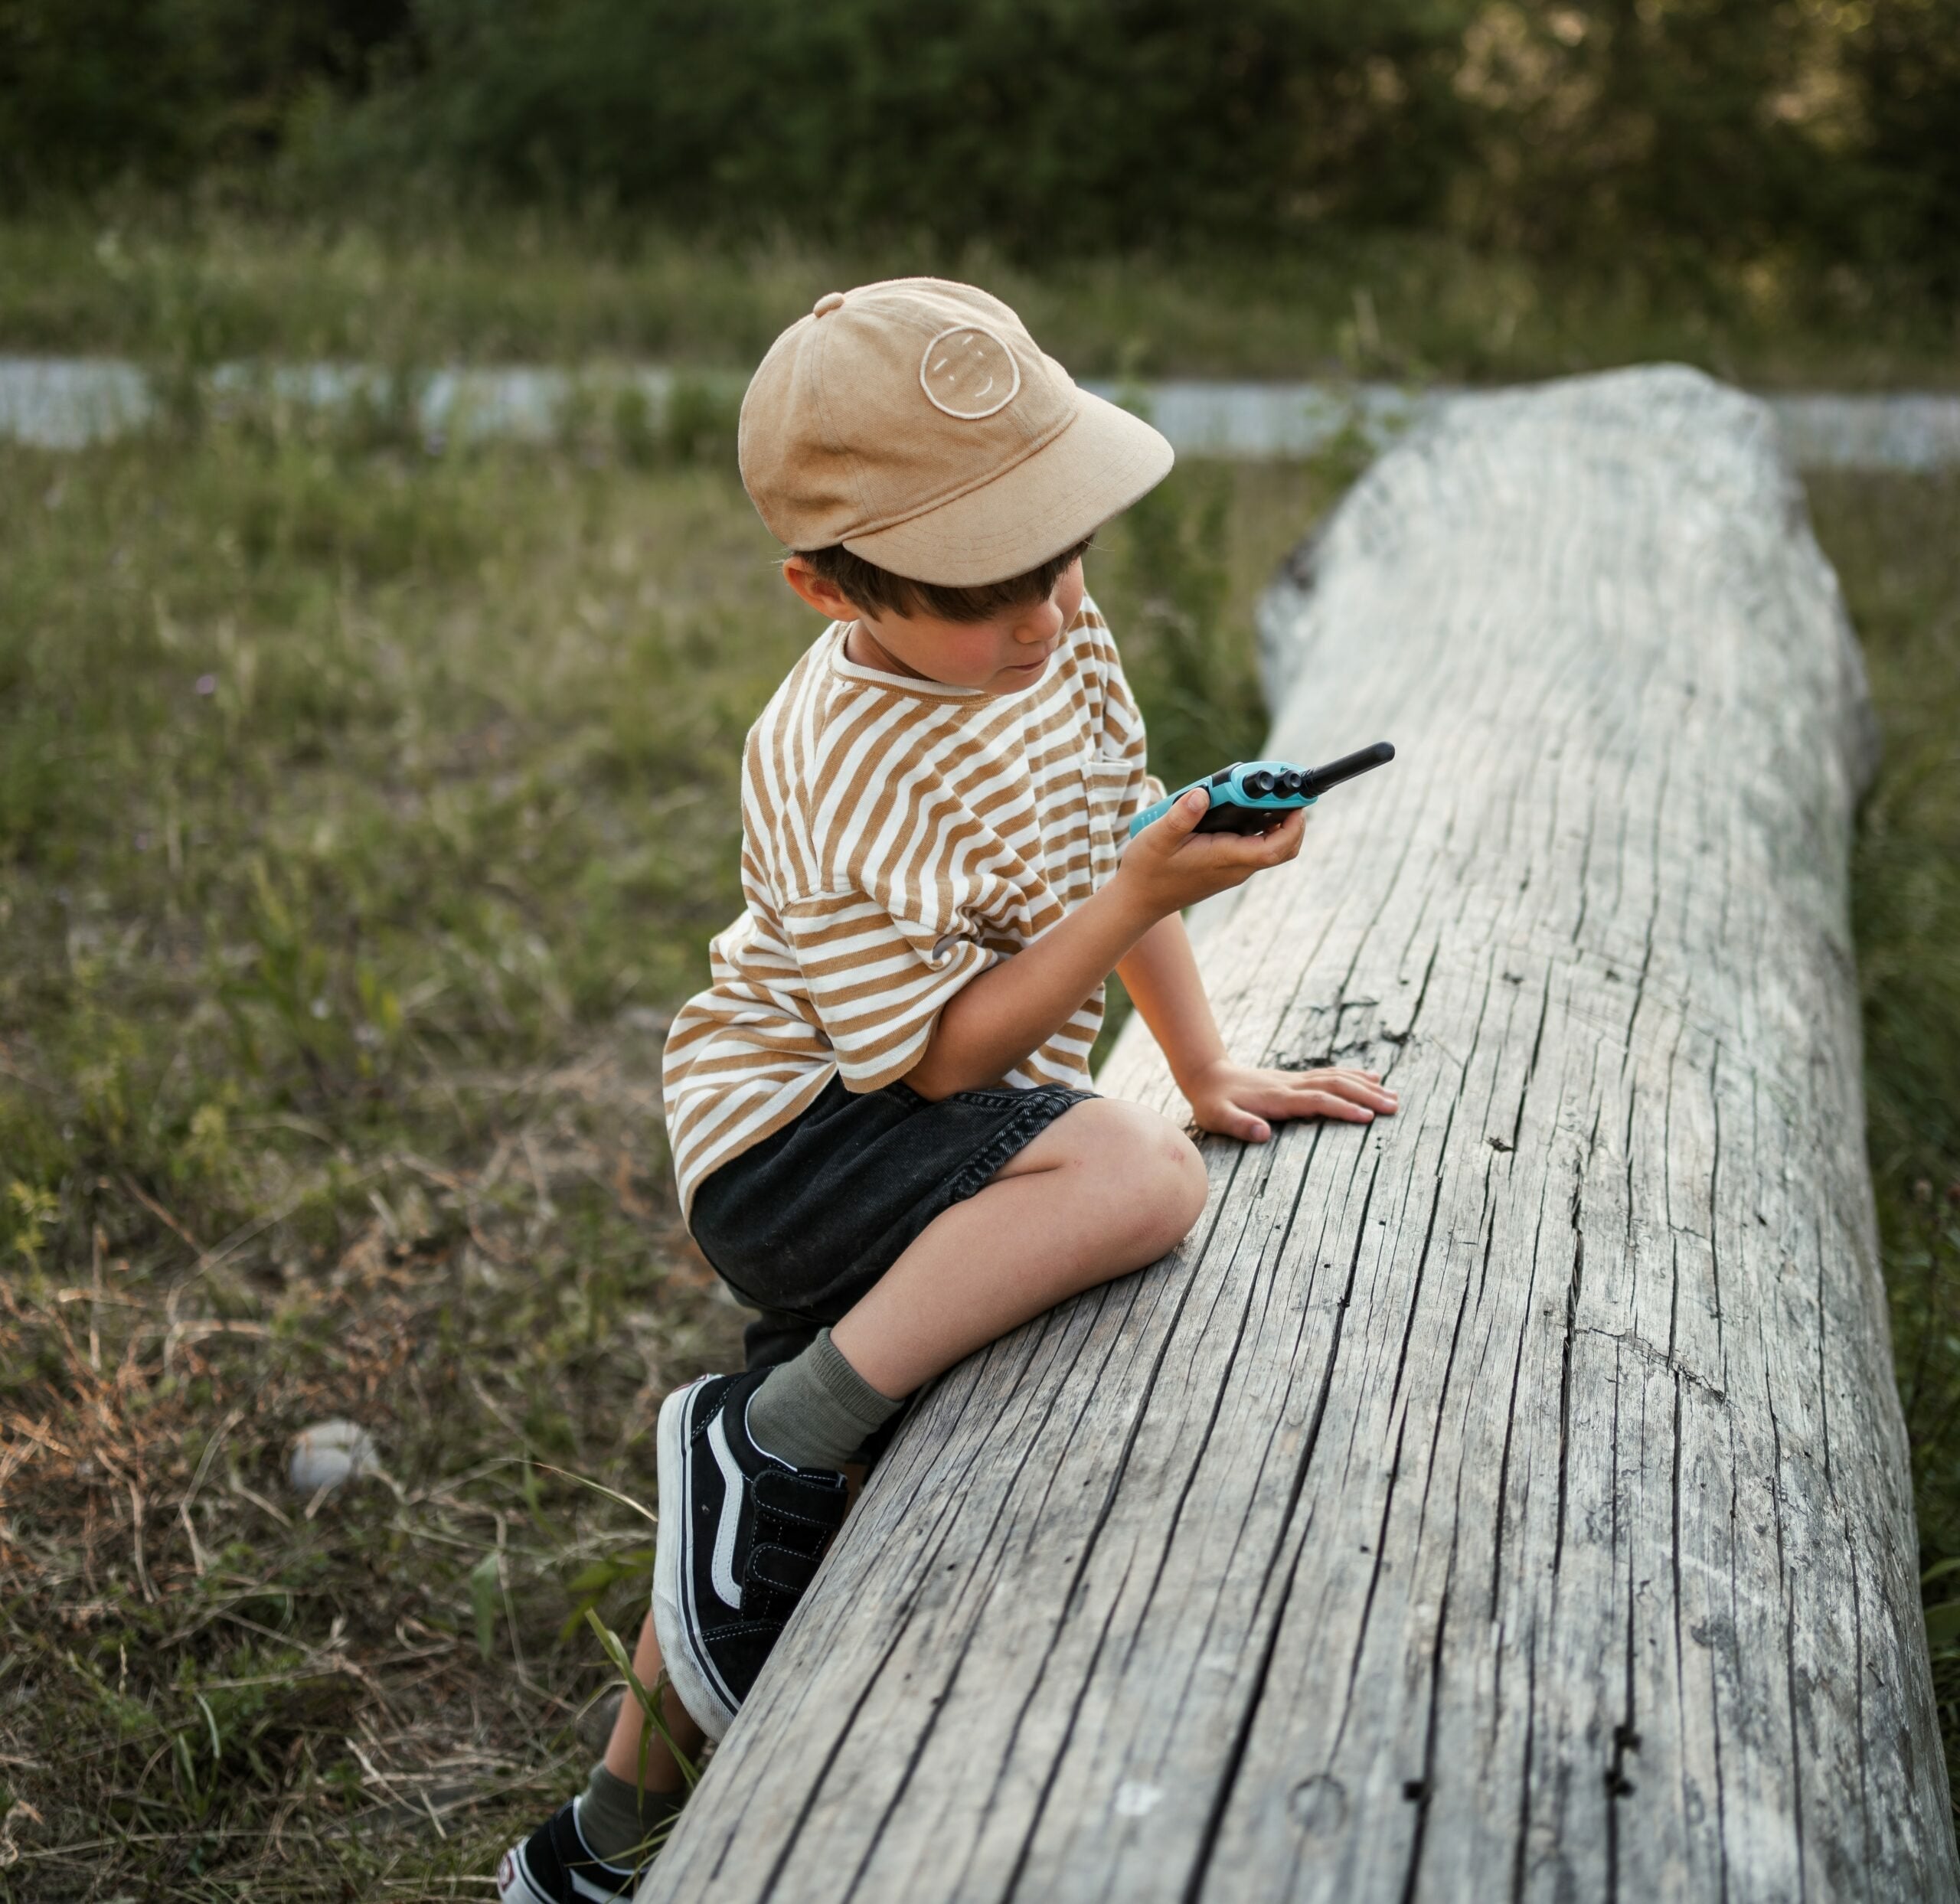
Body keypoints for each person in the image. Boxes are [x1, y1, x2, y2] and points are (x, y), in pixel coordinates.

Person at [497, 279, 1397, 1902]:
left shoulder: (1054, 631)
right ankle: (761, 1437)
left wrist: (1198, 1061)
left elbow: (1109, 835)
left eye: (1062, 552)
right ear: (825, 589)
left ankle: (599, 1840)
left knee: (771, 1544)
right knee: (1133, 1183)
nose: (1048, 610)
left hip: (896, 1117)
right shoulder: (833, 750)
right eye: (991, 588)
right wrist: (1132, 924)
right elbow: (936, 1058)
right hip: (793, 1134)